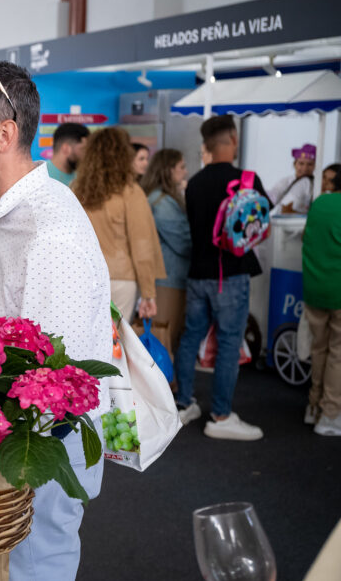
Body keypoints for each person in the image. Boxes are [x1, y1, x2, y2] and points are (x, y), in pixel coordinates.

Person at [0, 58, 112, 581]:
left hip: (42, 448)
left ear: (5, 134)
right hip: (24, 442)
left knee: (34, 567)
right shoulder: (18, 215)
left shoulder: (50, 233)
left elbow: (55, 384)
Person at [174, 114, 270, 441]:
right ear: (232, 139)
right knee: (229, 342)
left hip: (197, 274)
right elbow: (261, 224)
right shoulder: (246, 179)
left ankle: (184, 403)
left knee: (190, 337)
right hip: (231, 275)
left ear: (207, 145)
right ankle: (221, 415)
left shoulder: (195, 183)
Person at [73, 127, 166, 322]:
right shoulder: (131, 192)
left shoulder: (75, 190)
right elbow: (142, 245)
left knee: (86, 344)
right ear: (124, 155)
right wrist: (148, 293)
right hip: (120, 279)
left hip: (82, 276)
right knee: (115, 344)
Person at [141, 149, 192, 357]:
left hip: (164, 277)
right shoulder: (162, 202)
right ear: (168, 170)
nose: (185, 172)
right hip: (168, 279)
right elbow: (183, 241)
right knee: (164, 339)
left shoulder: (157, 198)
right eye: (181, 167)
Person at [303, 179, 341, 435]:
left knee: (318, 349)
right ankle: (330, 415)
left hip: (314, 288)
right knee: (338, 353)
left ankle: (313, 407)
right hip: (338, 290)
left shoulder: (319, 203)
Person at [268, 143, 316, 214]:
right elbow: (272, 197)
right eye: (301, 163)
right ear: (295, 164)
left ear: (315, 166)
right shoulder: (285, 181)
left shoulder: (317, 184)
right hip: (280, 220)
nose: (305, 168)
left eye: (310, 164)